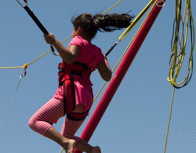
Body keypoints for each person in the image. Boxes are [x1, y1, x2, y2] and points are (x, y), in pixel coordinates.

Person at [28, 12, 134, 153]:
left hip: (70, 93)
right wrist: (104, 60)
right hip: (86, 100)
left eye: (73, 30)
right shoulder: (97, 52)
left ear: (78, 30)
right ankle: (91, 150)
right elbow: (107, 76)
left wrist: (54, 41)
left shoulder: (77, 41)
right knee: (68, 135)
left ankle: (66, 144)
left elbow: (70, 58)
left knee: (35, 121)